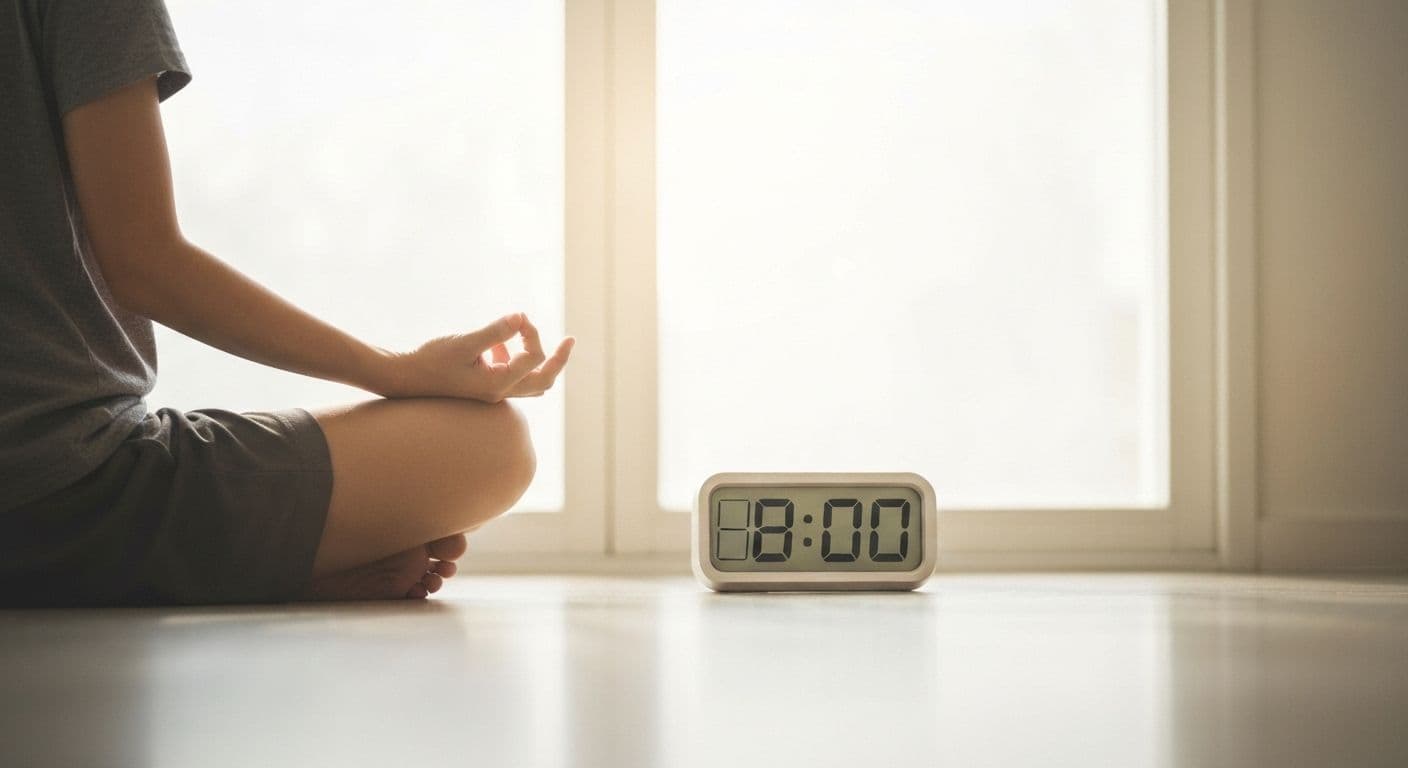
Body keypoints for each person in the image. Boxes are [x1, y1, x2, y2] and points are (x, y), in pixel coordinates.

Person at [0, 0, 573, 607]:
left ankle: (262, 559)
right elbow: (144, 264)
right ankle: (261, 567)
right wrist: (397, 368)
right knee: (494, 446)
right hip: (60, 487)